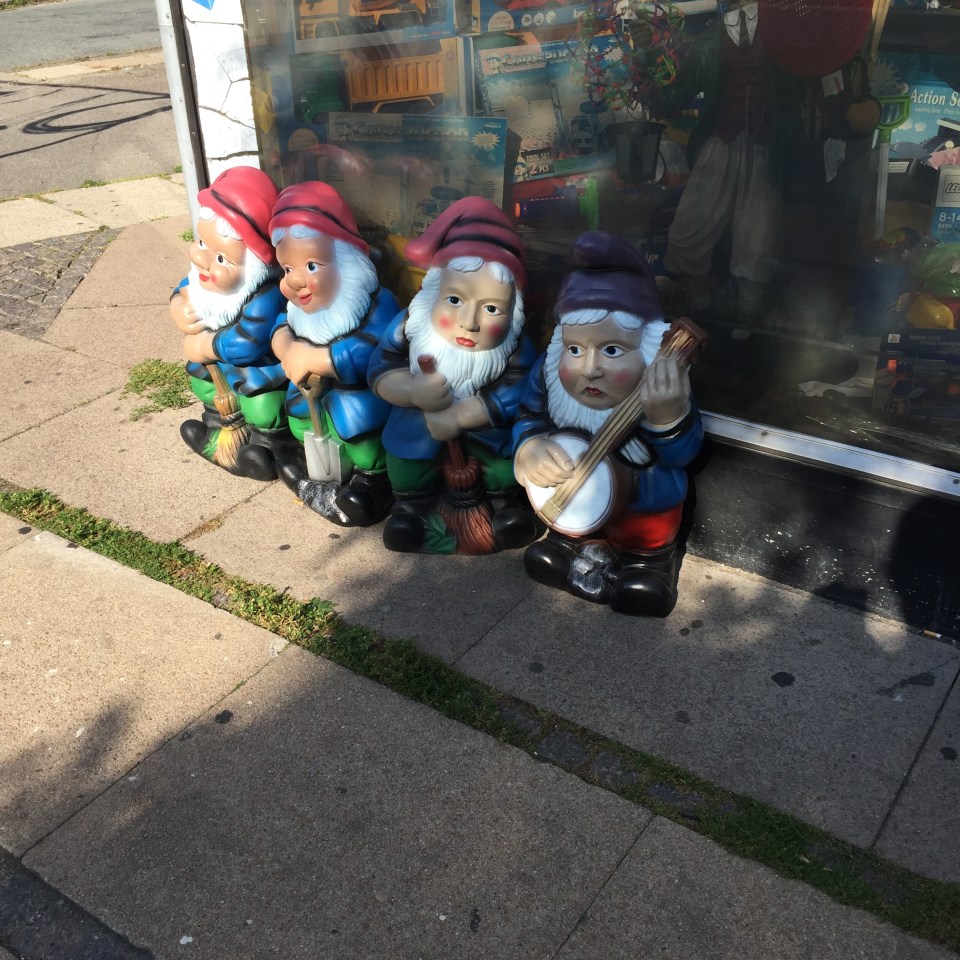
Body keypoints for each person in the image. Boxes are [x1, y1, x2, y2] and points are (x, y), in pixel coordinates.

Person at [513, 231, 703, 616]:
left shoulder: (664, 386)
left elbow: (682, 454)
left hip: (641, 499)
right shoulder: (548, 374)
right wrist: (529, 447)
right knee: (551, 550)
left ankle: (648, 563)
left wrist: (667, 417)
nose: (590, 368)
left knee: (646, 530)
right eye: (575, 349)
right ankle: (567, 543)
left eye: (612, 350)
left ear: (649, 349)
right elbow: (529, 416)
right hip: (570, 499)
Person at [368, 197, 540, 554]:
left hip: (485, 432)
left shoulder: (515, 345)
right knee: (406, 465)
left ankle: (502, 508)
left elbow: (519, 389)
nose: (469, 322)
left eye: (491, 308)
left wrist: (463, 415)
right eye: (455, 301)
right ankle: (411, 510)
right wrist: (412, 390)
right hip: (418, 425)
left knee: (501, 469)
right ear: (433, 294)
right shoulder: (409, 326)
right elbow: (380, 367)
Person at [643, 0, 801, 320]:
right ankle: (701, 304)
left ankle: (749, 312)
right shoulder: (710, 39)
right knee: (688, 229)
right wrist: (650, 51)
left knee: (757, 233)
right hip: (722, 140)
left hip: (766, 147)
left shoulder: (783, 30)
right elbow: (676, 91)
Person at [268, 181, 399, 526]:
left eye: (311, 266)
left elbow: (374, 348)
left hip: (356, 402)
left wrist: (317, 359)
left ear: (346, 262)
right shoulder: (299, 310)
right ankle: (317, 475)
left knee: (362, 442)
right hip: (309, 400)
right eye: (287, 269)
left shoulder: (376, 303)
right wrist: (286, 345)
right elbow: (279, 327)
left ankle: (373, 482)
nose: (295, 281)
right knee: (303, 425)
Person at [170, 166, 291, 480]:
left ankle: (268, 447)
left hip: (254, 372)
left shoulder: (264, 295)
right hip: (216, 370)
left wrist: (205, 345)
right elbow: (181, 289)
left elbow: (248, 344)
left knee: (262, 408)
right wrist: (178, 306)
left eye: (221, 258)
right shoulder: (201, 280)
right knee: (203, 386)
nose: (202, 259)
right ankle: (218, 432)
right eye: (201, 243)